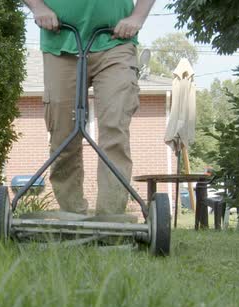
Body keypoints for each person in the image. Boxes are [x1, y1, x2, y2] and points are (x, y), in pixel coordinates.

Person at [23, 0, 155, 216]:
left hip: (116, 41)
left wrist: (137, 17)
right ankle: (72, 218)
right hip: (60, 42)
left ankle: (110, 222)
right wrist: (38, 7)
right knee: (63, 136)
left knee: (115, 128)